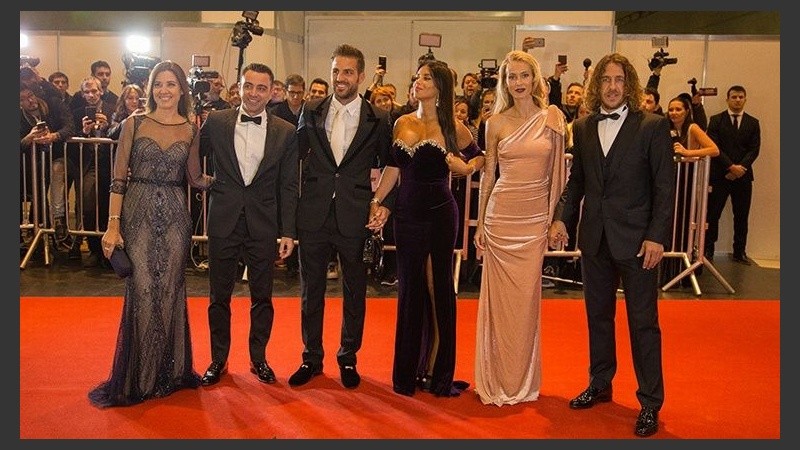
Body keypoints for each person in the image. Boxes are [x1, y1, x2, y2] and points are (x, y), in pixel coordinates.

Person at [547, 52, 675, 438]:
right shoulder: (583, 126)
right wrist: (560, 218)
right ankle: (600, 383)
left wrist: (656, 236)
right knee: (597, 317)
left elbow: (664, 190)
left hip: (639, 242)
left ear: (630, 85)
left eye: (619, 80)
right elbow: (578, 183)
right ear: (596, 85)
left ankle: (650, 402)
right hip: (595, 239)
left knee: (643, 324)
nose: (613, 87)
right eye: (606, 80)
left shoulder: (652, 126)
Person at [88, 60, 215, 408]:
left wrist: (228, 183)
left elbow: (194, 178)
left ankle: (169, 374)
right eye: (159, 84)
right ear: (151, 89)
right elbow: (118, 179)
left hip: (176, 217)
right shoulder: (134, 123)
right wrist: (113, 224)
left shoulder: (191, 128)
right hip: (138, 213)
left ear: (181, 90)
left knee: (170, 291)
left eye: (171, 84)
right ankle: (139, 377)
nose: (164, 90)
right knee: (143, 289)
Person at [369, 59, 479, 397]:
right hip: (406, 215)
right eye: (417, 76)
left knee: (437, 289)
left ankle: (436, 370)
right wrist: (377, 201)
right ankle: (407, 373)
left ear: (441, 87)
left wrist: (464, 167)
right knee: (410, 290)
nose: (419, 81)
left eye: (427, 78)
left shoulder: (453, 127)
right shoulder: (400, 121)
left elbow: (480, 157)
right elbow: (393, 166)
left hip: (440, 214)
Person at [288, 43, 394, 390]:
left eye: (347, 72)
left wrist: (380, 202)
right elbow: (294, 157)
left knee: (355, 292)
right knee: (310, 291)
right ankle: (311, 357)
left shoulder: (378, 118)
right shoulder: (311, 108)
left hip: (354, 214)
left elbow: (389, 165)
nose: (340, 78)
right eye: (336, 71)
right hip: (314, 213)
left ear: (361, 76)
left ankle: (348, 358)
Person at [472, 50, 565, 406]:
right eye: (511, 77)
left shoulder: (552, 118)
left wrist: (555, 217)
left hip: (534, 222)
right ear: (504, 82)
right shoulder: (495, 122)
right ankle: (494, 379)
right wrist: (481, 223)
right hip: (501, 219)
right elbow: (489, 174)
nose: (518, 82)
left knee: (526, 306)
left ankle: (521, 380)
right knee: (497, 306)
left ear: (535, 78)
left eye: (524, 75)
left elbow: (559, 174)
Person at [198, 62, 299, 386]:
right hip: (224, 220)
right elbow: (189, 154)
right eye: (249, 86)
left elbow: (288, 185)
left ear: (272, 92)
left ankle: (259, 359)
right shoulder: (215, 122)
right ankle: (218, 359)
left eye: (261, 88)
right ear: (238, 88)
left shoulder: (286, 131)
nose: (254, 93)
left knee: (262, 297)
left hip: (264, 223)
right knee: (219, 296)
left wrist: (288, 231)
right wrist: (202, 181)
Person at [661, 95, 719, 285]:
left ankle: (683, 272)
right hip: (668, 183)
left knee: (684, 225)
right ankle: (667, 271)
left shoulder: (693, 128)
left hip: (687, 184)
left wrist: (688, 153)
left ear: (686, 111)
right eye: (671, 109)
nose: (674, 113)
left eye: (678, 109)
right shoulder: (664, 128)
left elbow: (713, 149)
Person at [704, 85, 760, 265]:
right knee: (712, 214)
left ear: (745, 99)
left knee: (742, 215)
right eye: (734, 97)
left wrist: (740, 168)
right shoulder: (716, 120)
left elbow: (754, 149)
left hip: (743, 177)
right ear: (727, 99)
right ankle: (708, 249)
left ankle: (739, 251)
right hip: (720, 176)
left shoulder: (753, 122)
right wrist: (730, 167)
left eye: (740, 97)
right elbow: (714, 147)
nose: (737, 100)